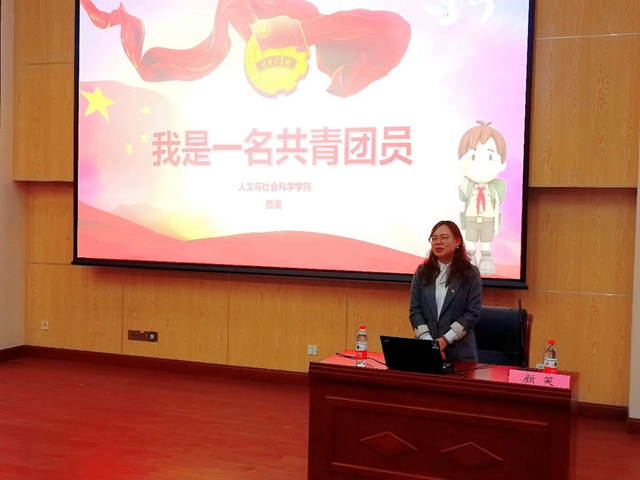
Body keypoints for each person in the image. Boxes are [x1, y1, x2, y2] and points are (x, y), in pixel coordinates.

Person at [409, 220, 482, 362]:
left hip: (460, 354)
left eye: (444, 238)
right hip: (426, 350)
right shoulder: (422, 272)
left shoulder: (470, 273)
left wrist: (444, 341)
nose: (438, 242)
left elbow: (472, 313)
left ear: (457, 241)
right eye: (434, 238)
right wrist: (431, 345)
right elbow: (415, 311)